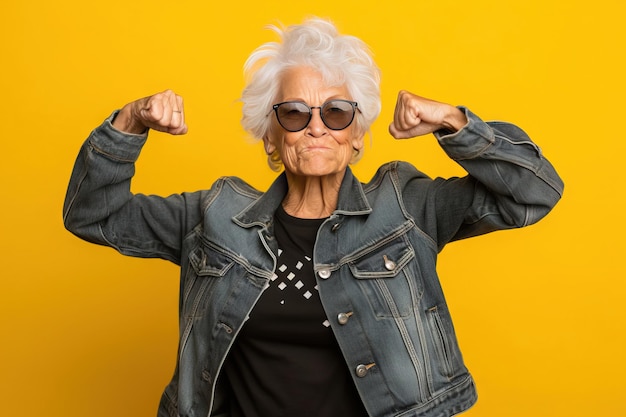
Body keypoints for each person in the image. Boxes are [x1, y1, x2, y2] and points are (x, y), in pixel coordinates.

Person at [63, 17, 563, 417]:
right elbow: (92, 214)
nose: (317, 128)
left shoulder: (406, 207)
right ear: (271, 137)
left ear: (359, 133)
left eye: (338, 112)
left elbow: (533, 194)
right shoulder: (215, 218)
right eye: (296, 113)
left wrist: (454, 122)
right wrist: (129, 122)